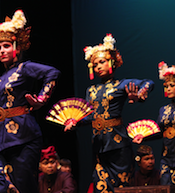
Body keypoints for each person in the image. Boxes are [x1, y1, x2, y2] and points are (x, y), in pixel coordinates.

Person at [0, 10, 60, 193]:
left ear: (17, 47)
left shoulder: (25, 68)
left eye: (6, 46)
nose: (2, 51)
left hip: (24, 139)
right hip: (1, 143)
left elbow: (52, 73)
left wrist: (41, 99)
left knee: (23, 187)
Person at [65, 34, 154, 192]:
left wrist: (140, 94)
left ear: (112, 62)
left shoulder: (121, 85)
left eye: (102, 62)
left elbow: (149, 83)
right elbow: (88, 116)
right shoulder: (91, 90)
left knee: (122, 187)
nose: (98, 66)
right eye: (95, 64)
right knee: (101, 187)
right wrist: (75, 122)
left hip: (118, 144)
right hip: (99, 145)